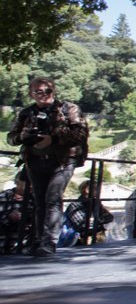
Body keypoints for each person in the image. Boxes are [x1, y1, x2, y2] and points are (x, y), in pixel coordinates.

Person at [6, 77, 89, 256]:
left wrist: (54, 139)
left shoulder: (69, 109)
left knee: (52, 198)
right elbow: (11, 138)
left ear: (54, 91)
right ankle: (37, 240)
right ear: (31, 93)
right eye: (39, 92)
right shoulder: (26, 113)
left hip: (63, 160)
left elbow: (81, 134)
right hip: (35, 160)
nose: (44, 95)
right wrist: (23, 136)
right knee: (39, 201)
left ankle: (49, 241)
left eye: (48, 91)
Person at [64, 180, 113, 246]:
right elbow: (82, 224)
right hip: (83, 238)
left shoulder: (96, 203)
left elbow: (109, 217)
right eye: (96, 189)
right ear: (87, 190)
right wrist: (98, 220)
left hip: (99, 236)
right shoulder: (76, 205)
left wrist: (96, 220)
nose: (100, 191)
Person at [1, 173, 29, 254]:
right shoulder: (3, 197)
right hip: (4, 246)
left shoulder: (35, 200)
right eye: (27, 182)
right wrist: (7, 217)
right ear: (17, 182)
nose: (30, 186)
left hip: (26, 249)